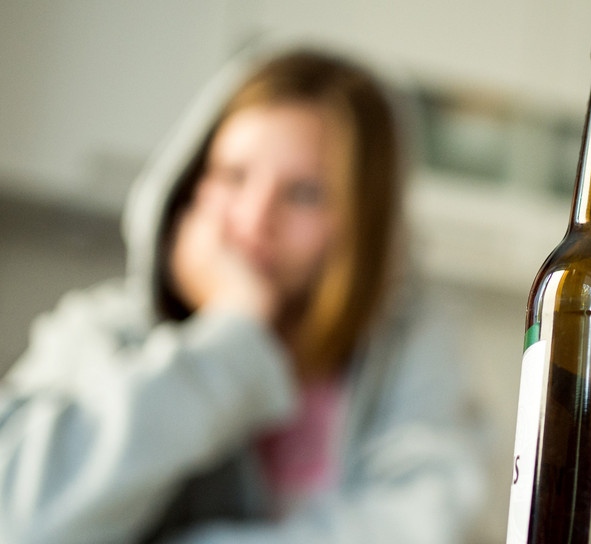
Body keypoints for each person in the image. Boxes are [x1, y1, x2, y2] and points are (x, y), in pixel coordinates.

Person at [0, 45, 483, 543]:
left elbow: (424, 524)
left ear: (362, 222)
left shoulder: (412, 350)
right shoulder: (103, 333)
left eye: (304, 194)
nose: (254, 221)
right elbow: (14, 520)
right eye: (233, 175)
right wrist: (232, 335)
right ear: (191, 186)